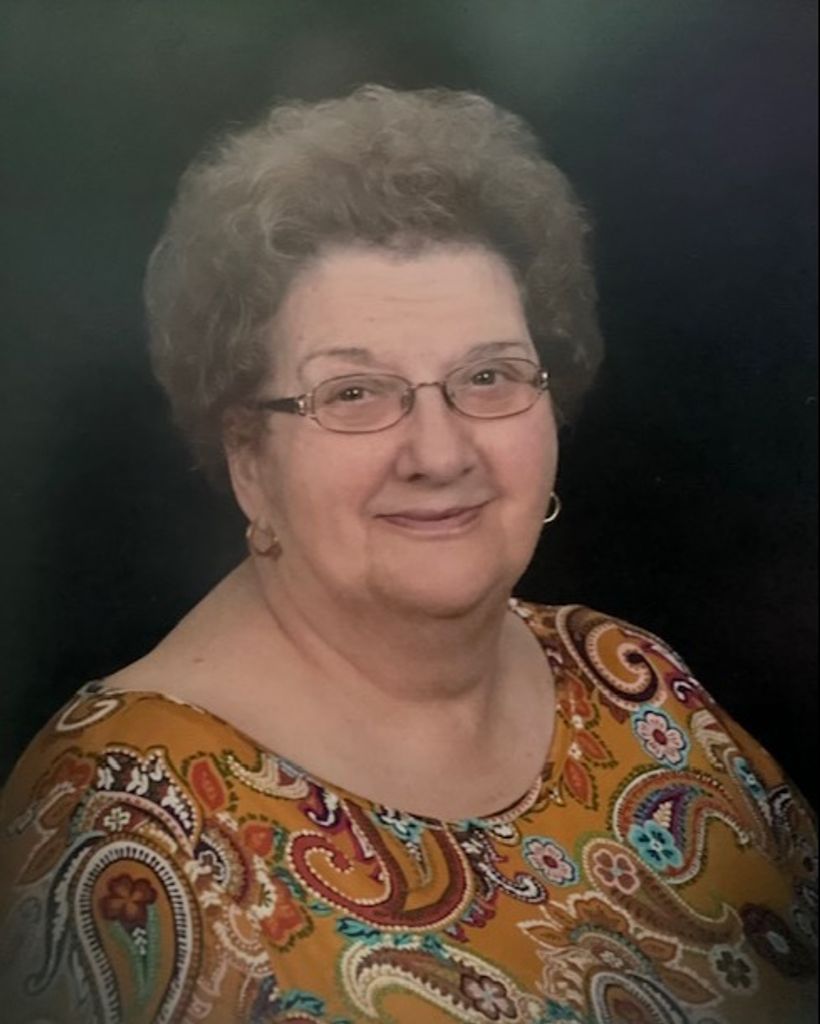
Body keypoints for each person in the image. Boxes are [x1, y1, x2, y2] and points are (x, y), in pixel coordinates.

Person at [0, 85, 815, 1024]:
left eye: (488, 376)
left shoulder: (632, 682)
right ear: (249, 459)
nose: (440, 452)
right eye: (354, 393)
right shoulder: (116, 826)